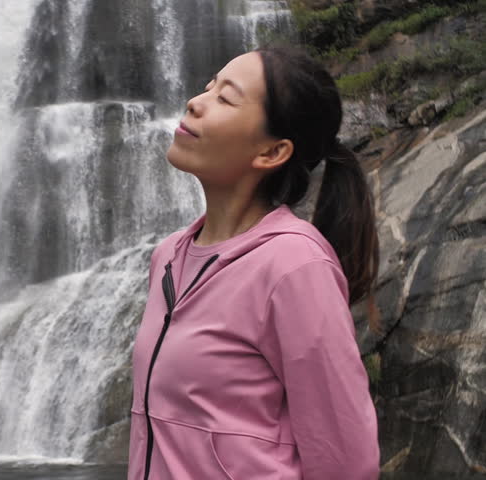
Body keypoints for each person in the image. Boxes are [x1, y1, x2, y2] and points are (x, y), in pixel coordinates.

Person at [127, 46, 381, 480]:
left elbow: (347, 463)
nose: (195, 101)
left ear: (271, 152)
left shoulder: (294, 265)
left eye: (225, 98)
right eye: (208, 86)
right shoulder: (168, 257)